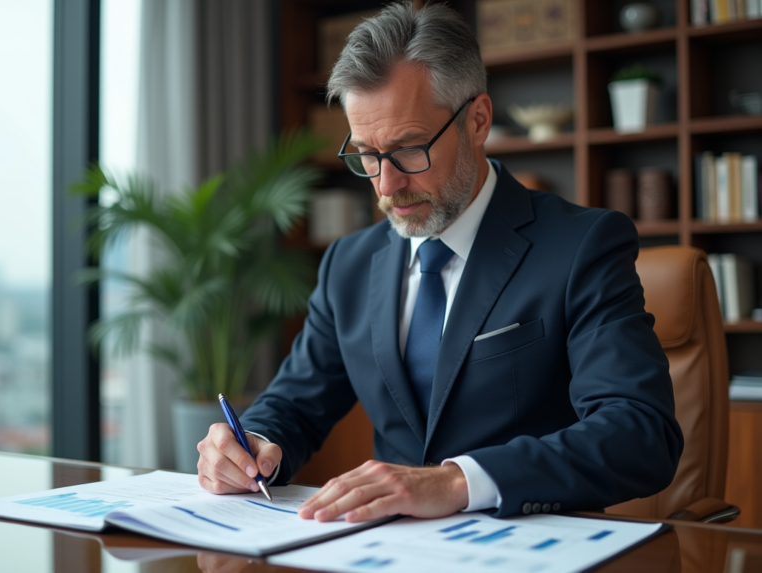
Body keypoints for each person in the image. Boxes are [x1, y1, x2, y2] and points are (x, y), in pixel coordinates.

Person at [197, 1, 683, 522]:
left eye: (409, 149)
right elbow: (294, 403)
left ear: (477, 120)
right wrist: (251, 443)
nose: (385, 185)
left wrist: (456, 482)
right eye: (365, 153)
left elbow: (639, 432)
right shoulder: (349, 264)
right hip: (384, 554)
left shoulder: (583, 245)